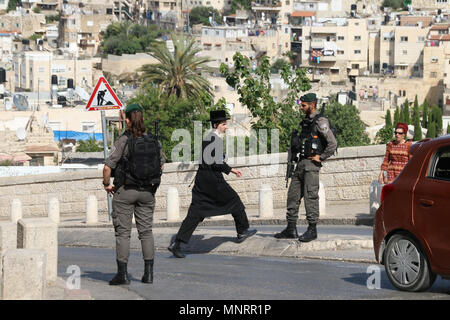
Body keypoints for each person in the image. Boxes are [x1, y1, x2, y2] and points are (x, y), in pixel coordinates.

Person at [168, 110, 257, 258]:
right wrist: (231, 170)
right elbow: (216, 163)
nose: (225, 127)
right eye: (223, 124)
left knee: (195, 213)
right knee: (235, 201)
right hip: (213, 182)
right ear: (215, 125)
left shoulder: (207, 138)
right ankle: (242, 231)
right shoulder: (215, 140)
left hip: (202, 182)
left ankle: (177, 244)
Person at [103, 103, 164, 285]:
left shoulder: (124, 140)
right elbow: (161, 165)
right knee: (146, 232)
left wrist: (106, 184)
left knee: (123, 233)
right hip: (147, 192)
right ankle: (148, 274)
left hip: (126, 191)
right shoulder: (154, 140)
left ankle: (122, 275)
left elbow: (108, 167)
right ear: (143, 119)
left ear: (127, 120)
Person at [275, 93, 337, 242]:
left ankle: (312, 229)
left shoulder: (320, 121)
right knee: (293, 196)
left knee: (311, 197)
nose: (301, 108)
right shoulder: (305, 122)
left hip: (311, 165)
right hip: (300, 164)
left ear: (312, 105)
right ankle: (291, 228)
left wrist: (321, 157)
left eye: (303, 105)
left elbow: (332, 143)